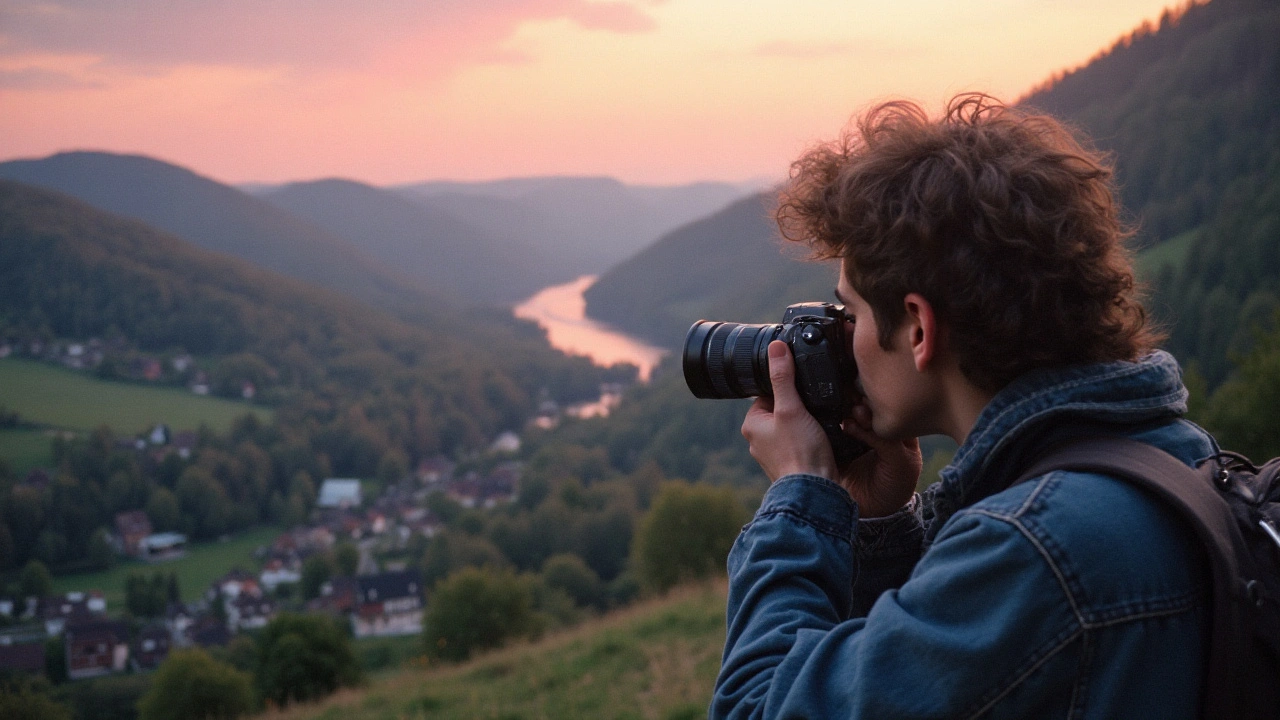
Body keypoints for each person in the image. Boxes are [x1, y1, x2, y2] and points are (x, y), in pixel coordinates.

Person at [711, 94, 1213, 719]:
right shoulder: (1172, 459)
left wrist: (803, 493)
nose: (844, 337)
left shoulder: (1036, 549)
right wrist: (881, 527)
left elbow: (756, 709)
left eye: (853, 312)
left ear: (919, 329)